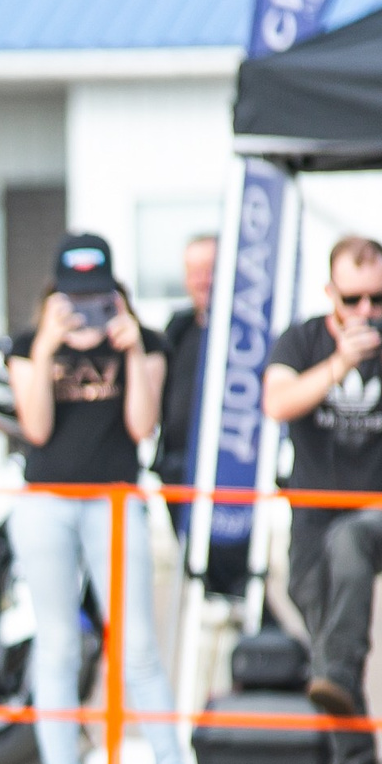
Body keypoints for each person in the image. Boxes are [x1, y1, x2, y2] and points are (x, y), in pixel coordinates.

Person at [7, 232, 205, 764]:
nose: (85, 311)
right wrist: (45, 348)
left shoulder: (142, 340)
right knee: (58, 645)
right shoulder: (27, 344)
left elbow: (142, 427)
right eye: (74, 299)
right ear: (54, 295)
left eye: (97, 298)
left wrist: (130, 352)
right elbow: (35, 428)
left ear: (116, 294)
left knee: (139, 647)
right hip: (46, 503)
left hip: (116, 500)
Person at [262, 235, 382, 764]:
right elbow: (276, 402)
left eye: (379, 297)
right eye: (356, 298)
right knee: (331, 664)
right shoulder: (303, 340)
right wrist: (338, 363)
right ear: (331, 294)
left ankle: (341, 663)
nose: (369, 311)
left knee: (350, 548)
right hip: (311, 515)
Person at [155, 232, 217, 556]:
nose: (201, 281)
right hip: (177, 468)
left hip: (226, 470)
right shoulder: (178, 328)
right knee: (193, 562)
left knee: (227, 568)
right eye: (194, 272)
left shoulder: (245, 334)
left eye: (210, 270)